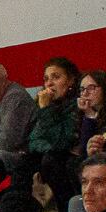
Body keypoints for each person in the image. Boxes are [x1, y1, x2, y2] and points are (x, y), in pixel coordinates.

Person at [25, 57, 81, 202]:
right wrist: (48, 147)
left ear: (71, 81)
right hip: (48, 155)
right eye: (46, 79)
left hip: (64, 162)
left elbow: (62, 141)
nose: (49, 83)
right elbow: (32, 141)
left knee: (51, 159)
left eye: (56, 77)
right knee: (23, 162)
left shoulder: (76, 106)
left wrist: (46, 109)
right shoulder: (46, 106)